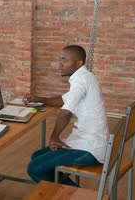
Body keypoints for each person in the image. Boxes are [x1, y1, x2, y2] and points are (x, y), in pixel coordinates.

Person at [25, 45, 108, 185]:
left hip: (89, 149)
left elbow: (65, 113)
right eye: (59, 59)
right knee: (37, 156)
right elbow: (64, 100)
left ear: (79, 63)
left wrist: (54, 137)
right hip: (91, 142)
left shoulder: (80, 80)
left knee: (35, 168)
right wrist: (40, 99)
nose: (60, 64)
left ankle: (72, 193)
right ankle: (65, 191)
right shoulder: (86, 76)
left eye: (64, 60)